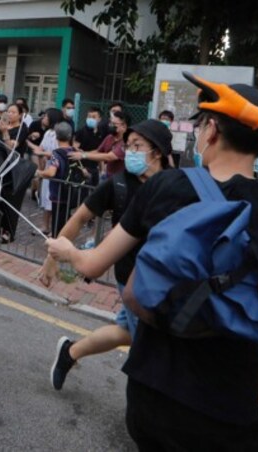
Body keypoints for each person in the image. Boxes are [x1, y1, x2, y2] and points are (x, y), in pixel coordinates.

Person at [46, 81, 258, 450]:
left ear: (212, 130)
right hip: (230, 410)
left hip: (150, 399)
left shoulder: (165, 187)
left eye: (202, 124)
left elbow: (92, 263)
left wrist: (65, 250)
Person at [44, 119, 172, 390]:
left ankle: (69, 353)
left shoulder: (176, 184)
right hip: (136, 282)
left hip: (167, 278)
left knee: (124, 332)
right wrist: (51, 258)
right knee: (149, 349)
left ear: (157, 152)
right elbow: (78, 219)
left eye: (138, 146)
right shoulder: (118, 185)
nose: (131, 152)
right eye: (128, 146)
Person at [28, 108, 65, 235]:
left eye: (46, 116)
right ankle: (45, 226)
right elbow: (41, 147)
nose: (43, 118)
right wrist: (30, 144)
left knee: (53, 200)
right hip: (47, 169)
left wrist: (42, 153)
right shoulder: (48, 132)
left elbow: (57, 153)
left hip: (56, 171)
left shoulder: (59, 134)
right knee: (46, 199)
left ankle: (55, 229)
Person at [69, 110, 129, 178]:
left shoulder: (127, 141)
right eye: (110, 123)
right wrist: (82, 153)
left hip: (121, 178)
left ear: (124, 126)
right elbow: (98, 151)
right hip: (108, 176)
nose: (110, 125)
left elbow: (109, 157)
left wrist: (83, 155)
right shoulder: (109, 137)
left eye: (114, 124)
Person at [74, 106, 105, 189]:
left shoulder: (101, 133)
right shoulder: (81, 132)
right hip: (82, 169)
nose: (91, 119)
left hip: (94, 168)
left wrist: (102, 171)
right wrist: (81, 168)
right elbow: (75, 150)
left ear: (99, 119)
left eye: (94, 117)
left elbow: (100, 153)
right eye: (89, 116)